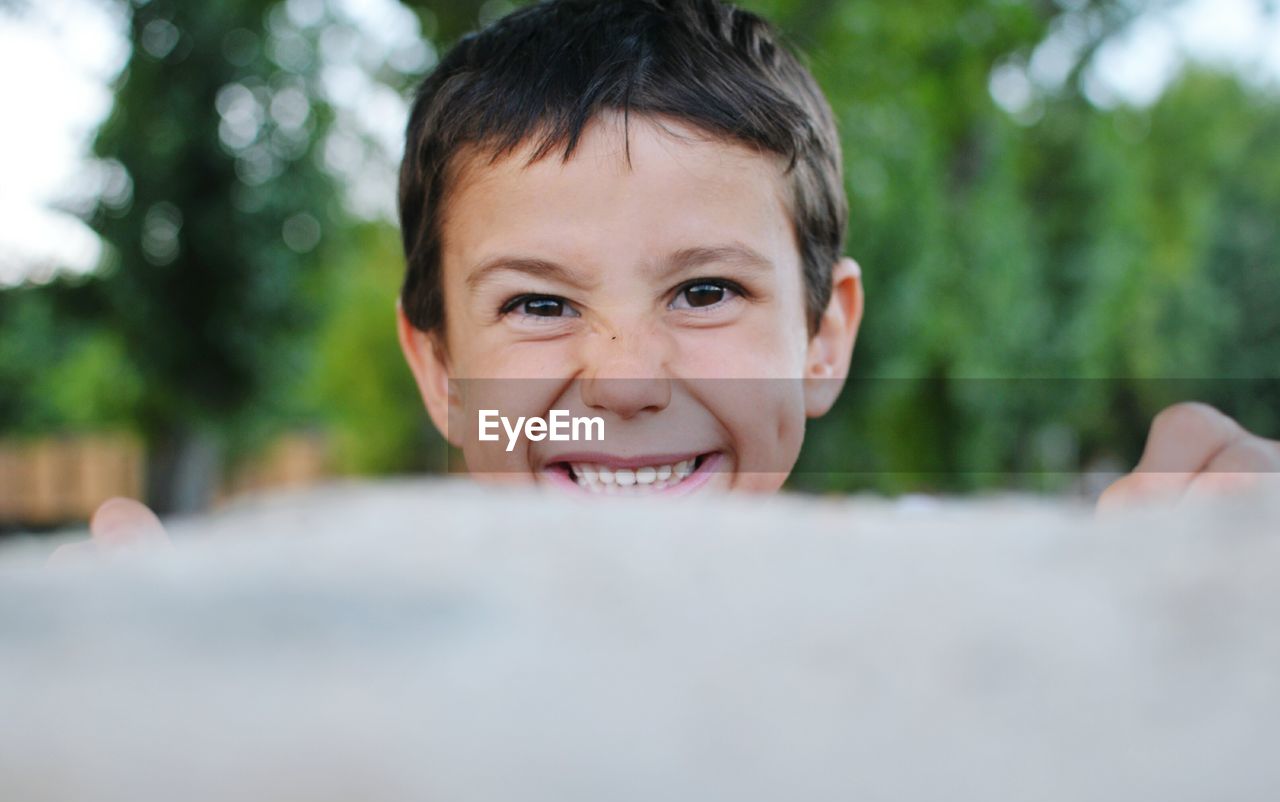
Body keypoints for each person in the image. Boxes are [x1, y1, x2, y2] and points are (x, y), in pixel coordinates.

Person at [53, 0, 1280, 557]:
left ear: (823, 333)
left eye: (703, 293)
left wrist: (1202, 525)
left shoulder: (936, 582)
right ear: (436, 365)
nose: (625, 379)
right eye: (537, 304)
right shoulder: (325, 640)